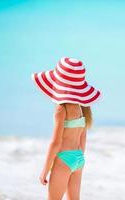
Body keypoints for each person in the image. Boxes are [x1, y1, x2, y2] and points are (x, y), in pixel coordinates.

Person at [31, 57, 102, 200]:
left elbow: (55, 142)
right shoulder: (82, 108)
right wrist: (78, 157)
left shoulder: (61, 109)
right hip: (79, 159)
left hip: (64, 159)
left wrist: (45, 169)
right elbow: (83, 137)